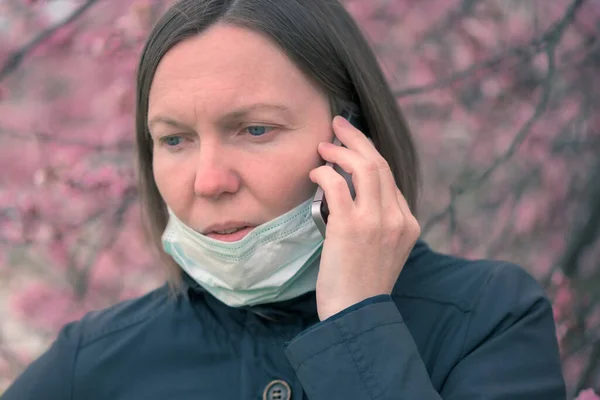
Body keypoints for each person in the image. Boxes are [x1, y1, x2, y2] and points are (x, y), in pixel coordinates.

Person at [2, 0, 567, 399]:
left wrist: (356, 322)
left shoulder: (489, 320)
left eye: (255, 130)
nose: (208, 180)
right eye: (174, 139)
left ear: (354, 138)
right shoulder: (93, 360)